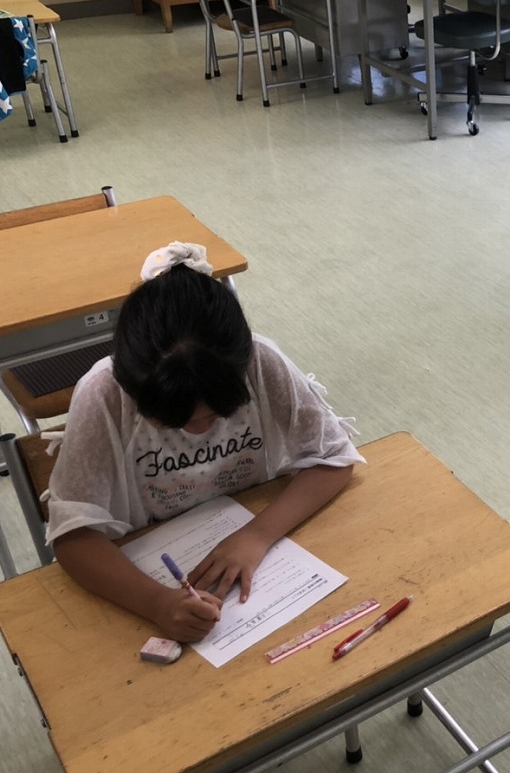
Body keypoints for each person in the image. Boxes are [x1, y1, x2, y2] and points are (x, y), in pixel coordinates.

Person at [47, 242, 365, 642]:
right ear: (130, 388)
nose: (197, 432)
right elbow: (72, 538)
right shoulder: (103, 393)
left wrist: (256, 535)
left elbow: (333, 458)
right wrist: (156, 603)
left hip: (253, 533)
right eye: (171, 423)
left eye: (215, 416)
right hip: (153, 559)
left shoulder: (259, 362)